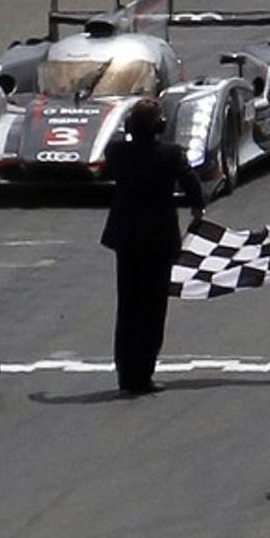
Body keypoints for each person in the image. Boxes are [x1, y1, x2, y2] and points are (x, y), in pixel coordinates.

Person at [100, 98, 207, 394]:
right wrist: (199, 208)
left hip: (127, 238)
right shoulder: (172, 154)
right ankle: (142, 374)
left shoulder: (117, 152)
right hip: (158, 240)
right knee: (152, 310)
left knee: (128, 307)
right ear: (160, 126)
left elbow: (110, 156)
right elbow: (192, 185)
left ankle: (125, 374)